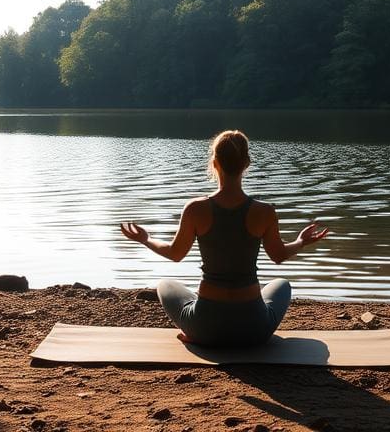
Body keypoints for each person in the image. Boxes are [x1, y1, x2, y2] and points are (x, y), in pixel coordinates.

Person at [119, 129, 330, 347]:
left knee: (165, 285)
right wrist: (301, 241)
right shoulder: (264, 211)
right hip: (254, 331)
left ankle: (193, 334)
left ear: (215, 162)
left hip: (205, 328)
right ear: (247, 163)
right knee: (282, 284)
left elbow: (175, 254)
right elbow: (278, 256)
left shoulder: (195, 209)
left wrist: (146, 239)